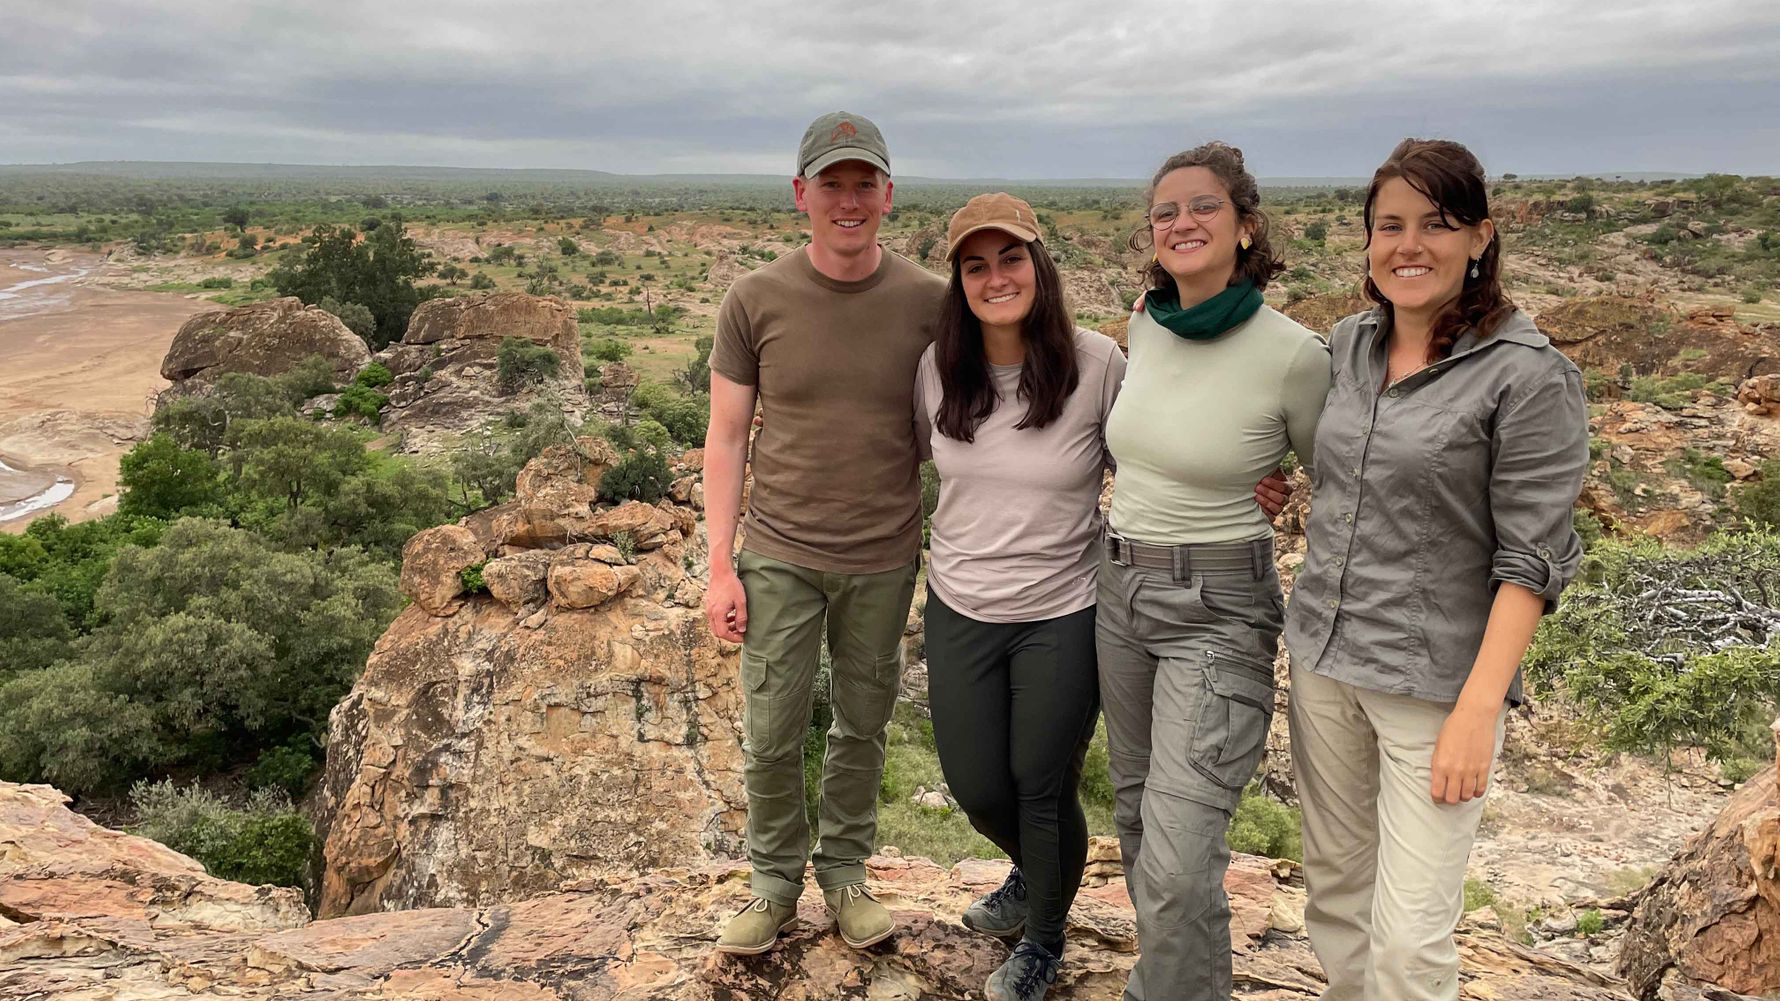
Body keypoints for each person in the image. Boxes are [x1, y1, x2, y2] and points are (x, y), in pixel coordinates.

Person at [1284, 138, 1589, 1001]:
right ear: (1368, 239)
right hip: (1324, 661)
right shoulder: (1350, 344)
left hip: (1434, 687)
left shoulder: (1527, 376)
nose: (1408, 245)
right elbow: (1337, 469)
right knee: (1338, 897)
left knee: (1410, 940)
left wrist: (1478, 710)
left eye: (1437, 224)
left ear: (1481, 237)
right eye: (1390, 225)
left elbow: (1532, 559)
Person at [705, 111, 945, 955]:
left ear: (888, 194)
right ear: (800, 193)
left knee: (862, 722)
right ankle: (774, 881)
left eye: (864, 183)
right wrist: (719, 566)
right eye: (832, 183)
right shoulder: (755, 299)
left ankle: (844, 870)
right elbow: (726, 436)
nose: (849, 200)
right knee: (772, 729)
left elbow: (984, 409)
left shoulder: (930, 303)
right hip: (779, 553)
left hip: (883, 554)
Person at [1097, 142, 1331, 1001]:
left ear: (1245, 227)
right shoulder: (1147, 323)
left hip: (1218, 603)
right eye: (1165, 211)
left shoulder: (1294, 354)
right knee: (1136, 814)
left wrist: (1276, 484)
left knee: (1179, 852)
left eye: (1204, 207)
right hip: (1119, 588)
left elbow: (1339, 483)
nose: (1182, 222)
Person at [912, 193, 1127, 1000]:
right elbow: (912, 461)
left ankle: (1042, 938)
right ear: (959, 281)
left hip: (1063, 608)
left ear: (1039, 265)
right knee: (978, 787)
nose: (995, 277)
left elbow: (1151, 461)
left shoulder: (1098, 364)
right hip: (960, 601)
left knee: (1040, 781)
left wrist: (1253, 479)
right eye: (976, 265)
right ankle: (1037, 872)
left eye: (1011, 259)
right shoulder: (937, 367)